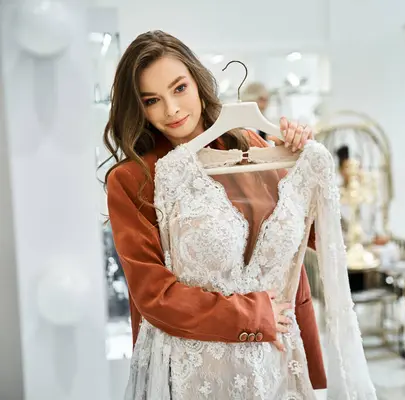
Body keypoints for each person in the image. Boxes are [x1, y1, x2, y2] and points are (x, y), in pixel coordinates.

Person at [103, 31, 326, 396]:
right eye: (152, 100)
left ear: (197, 80)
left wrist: (297, 167)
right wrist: (254, 314)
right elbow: (153, 293)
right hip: (197, 361)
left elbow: (311, 237)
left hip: (278, 354)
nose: (172, 110)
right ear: (138, 107)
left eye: (179, 88)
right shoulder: (133, 180)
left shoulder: (249, 146)